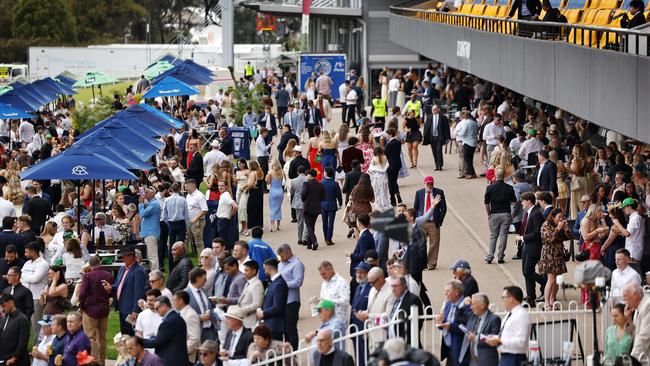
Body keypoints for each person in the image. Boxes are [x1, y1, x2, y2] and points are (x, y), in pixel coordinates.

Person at [77, 256, 113, 364]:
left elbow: (82, 293)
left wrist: (81, 306)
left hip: (90, 310)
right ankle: (102, 360)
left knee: (91, 337)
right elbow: (111, 291)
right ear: (99, 263)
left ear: (90, 265)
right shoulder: (108, 275)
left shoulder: (88, 276)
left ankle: (94, 362)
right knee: (102, 337)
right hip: (104, 309)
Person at [484, 286, 530, 366]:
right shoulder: (511, 314)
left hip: (514, 358)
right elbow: (507, 335)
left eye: (503, 297)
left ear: (511, 298)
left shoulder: (521, 315)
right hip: (506, 357)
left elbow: (521, 342)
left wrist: (500, 340)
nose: (502, 300)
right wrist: (494, 338)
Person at [106, 246, 147, 336]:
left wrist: (136, 310)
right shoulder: (122, 269)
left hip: (131, 309)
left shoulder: (138, 271)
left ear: (132, 257)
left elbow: (139, 292)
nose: (123, 259)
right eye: (122, 257)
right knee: (124, 334)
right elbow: (118, 285)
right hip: (122, 307)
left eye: (125, 256)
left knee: (133, 335)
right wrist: (110, 287)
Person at [515, 192, 546, 305]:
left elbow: (537, 233)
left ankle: (545, 283)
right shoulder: (527, 213)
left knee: (528, 271)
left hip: (534, 247)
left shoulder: (536, 213)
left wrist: (523, 238)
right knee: (526, 272)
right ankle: (530, 297)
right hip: (526, 247)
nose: (521, 203)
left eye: (523, 201)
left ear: (529, 201)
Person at [538, 208, 572, 309]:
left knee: (557, 280)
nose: (561, 219)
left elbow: (569, 237)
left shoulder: (561, 225)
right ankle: (546, 302)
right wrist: (558, 228)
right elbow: (549, 239)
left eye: (562, 217)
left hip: (558, 255)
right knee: (551, 280)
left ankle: (553, 300)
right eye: (559, 217)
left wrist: (565, 228)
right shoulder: (546, 225)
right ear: (553, 217)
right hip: (549, 255)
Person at [142, 296, 189, 366]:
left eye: (157, 308)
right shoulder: (175, 317)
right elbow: (166, 338)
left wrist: (138, 341)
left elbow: (157, 343)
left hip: (172, 361)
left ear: (164, 306)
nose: (156, 311)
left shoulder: (168, 322)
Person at [413, 176, 447, 270]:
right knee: (421, 244)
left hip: (433, 223)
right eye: (428, 183)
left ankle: (431, 263)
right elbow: (415, 208)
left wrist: (439, 220)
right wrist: (416, 220)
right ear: (424, 183)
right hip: (422, 223)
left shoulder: (439, 192)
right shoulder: (419, 193)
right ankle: (422, 263)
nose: (429, 185)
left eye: (431, 183)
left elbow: (443, 208)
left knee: (434, 244)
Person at [457, 293, 501, 366]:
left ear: (482, 306)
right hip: (472, 360)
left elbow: (495, 341)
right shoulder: (472, 316)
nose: (471, 307)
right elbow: (458, 317)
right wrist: (463, 304)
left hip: (486, 361)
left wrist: (476, 338)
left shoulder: (494, 319)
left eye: (473, 304)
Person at [484, 169, 516, 264]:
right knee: (503, 235)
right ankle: (501, 256)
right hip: (506, 213)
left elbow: (486, 202)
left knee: (493, 235)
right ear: (504, 176)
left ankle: (490, 256)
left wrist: (489, 213)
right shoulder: (509, 188)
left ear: (495, 175)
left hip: (494, 213)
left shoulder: (490, 188)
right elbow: (513, 202)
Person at [436, 279, 470, 366]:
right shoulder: (448, 304)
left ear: (456, 292)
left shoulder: (466, 306)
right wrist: (441, 322)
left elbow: (468, 328)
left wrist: (450, 327)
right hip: (449, 351)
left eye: (448, 291)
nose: (445, 293)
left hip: (461, 352)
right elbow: (445, 322)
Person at [277, 244, 304, 350]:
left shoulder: (297, 264)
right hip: (281, 300)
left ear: (289, 252)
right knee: (283, 329)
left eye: (282, 256)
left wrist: (283, 284)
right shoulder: (280, 264)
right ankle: (287, 352)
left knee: (290, 329)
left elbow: (298, 282)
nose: (281, 258)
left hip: (292, 301)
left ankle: (294, 353)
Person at [21, 241, 49, 337]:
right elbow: (21, 277)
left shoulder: (43, 264)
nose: (25, 254)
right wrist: (28, 277)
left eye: (26, 252)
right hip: (26, 296)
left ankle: (37, 347)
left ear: (33, 252)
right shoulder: (27, 263)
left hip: (37, 297)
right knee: (25, 324)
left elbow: (35, 279)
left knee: (36, 324)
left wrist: (26, 277)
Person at [611, 198, 645, 274]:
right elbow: (628, 234)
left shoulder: (635, 218)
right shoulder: (635, 217)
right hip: (634, 251)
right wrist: (618, 231)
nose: (623, 209)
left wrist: (617, 223)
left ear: (629, 206)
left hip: (633, 253)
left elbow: (627, 233)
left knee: (634, 276)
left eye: (624, 207)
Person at [257, 259, 288, 341]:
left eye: (264, 269)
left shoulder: (279, 284)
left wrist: (263, 313)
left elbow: (278, 307)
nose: (264, 272)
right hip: (269, 324)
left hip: (275, 326)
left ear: (268, 269)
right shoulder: (273, 282)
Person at [387, 276, 423, 347]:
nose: (393, 289)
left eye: (396, 286)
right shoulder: (396, 299)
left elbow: (417, 324)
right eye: (392, 286)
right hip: (393, 342)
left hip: (406, 344)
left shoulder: (412, 299)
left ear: (404, 286)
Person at [184, 268, 216, 343]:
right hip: (196, 331)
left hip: (210, 329)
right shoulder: (185, 293)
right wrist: (198, 317)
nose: (206, 280)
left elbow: (208, 307)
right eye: (204, 279)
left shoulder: (204, 290)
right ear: (198, 278)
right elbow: (182, 314)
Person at [0, 293, 30, 366]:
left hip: (16, 361)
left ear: (11, 302)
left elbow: (23, 342)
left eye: (4, 306)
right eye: (1, 307)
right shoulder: (3, 319)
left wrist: (14, 358)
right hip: (4, 360)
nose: (2, 309)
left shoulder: (22, 319)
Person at [623, 283, 650, 361]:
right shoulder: (638, 307)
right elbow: (632, 333)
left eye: (625, 297)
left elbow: (644, 336)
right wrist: (628, 319)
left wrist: (632, 359)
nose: (625, 301)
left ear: (635, 295)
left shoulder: (648, 305)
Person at [318, 261, 350, 326]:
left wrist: (329, 302)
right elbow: (323, 299)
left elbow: (346, 301)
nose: (322, 276)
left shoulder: (341, 282)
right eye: (321, 274)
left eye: (324, 274)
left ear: (330, 270)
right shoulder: (324, 284)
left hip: (338, 321)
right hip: (326, 321)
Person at [172, 291, 201, 363]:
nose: (173, 303)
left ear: (181, 301)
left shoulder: (191, 315)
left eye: (174, 300)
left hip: (187, 358)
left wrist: (181, 352)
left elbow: (194, 338)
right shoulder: (182, 313)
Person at [163, 183, 190, 254]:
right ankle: (179, 261)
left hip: (171, 223)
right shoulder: (183, 200)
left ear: (171, 189)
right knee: (180, 244)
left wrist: (168, 223)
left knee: (171, 245)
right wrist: (187, 227)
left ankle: (171, 264)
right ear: (179, 190)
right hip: (181, 223)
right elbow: (186, 215)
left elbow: (164, 215)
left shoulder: (167, 200)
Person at [301, 169, 325, 250]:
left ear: (310, 175)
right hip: (316, 208)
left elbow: (303, 195)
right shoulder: (320, 185)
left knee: (309, 226)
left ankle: (314, 241)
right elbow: (323, 197)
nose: (306, 176)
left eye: (307, 174)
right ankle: (309, 243)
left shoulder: (306, 184)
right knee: (312, 225)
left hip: (307, 207)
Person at [138, 187, 161, 271]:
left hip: (151, 233)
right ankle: (152, 273)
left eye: (146, 193)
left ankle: (155, 273)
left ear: (151, 194)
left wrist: (140, 204)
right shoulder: (150, 203)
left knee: (152, 256)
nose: (144, 195)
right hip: (148, 233)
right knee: (150, 256)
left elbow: (143, 213)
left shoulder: (154, 204)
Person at [237, 260, 264, 329]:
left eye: (246, 270)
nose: (244, 273)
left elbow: (257, 304)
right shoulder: (248, 283)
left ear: (254, 271)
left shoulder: (257, 284)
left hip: (251, 322)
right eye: (244, 271)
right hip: (244, 320)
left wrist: (242, 310)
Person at [423, 105, 450, 171]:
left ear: (438, 109)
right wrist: (424, 136)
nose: (433, 111)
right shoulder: (429, 117)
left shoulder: (443, 117)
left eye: (435, 109)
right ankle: (436, 165)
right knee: (434, 151)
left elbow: (446, 128)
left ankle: (440, 165)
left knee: (439, 150)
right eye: (432, 109)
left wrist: (447, 138)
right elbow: (426, 127)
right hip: (432, 137)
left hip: (439, 137)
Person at [321, 167, 342, 246]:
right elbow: (339, 195)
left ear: (326, 173)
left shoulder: (321, 183)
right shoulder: (335, 183)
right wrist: (340, 203)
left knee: (324, 222)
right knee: (331, 223)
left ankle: (325, 237)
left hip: (323, 205)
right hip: (332, 205)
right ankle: (329, 239)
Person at [455, 111, 479, 179]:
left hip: (467, 142)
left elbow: (463, 133)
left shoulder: (466, 123)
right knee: (470, 158)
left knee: (467, 159)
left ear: (465, 116)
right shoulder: (474, 123)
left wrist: (457, 133)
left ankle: (471, 173)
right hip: (474, 142)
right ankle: (472, 172)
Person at [368, 147, 391, 211]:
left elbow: (371, 169)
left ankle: (379, 204)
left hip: (377, 177)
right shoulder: (385, 157)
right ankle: (385, 203)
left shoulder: (374, 158)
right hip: (384, 177)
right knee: (384, 190)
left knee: (377, 191)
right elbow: (387, 165)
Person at [384, 128, 403, 206]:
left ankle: (392, 198)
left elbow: (386, 154)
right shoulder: (398, 142)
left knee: (391, 182)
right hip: (397, 164)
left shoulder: (389, 144)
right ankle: (398, 194)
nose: (386, 137)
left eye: (387, 135)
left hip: (390, 165)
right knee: (394, 181)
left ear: (390, 135)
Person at [290, 166, 308, 245]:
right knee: (307, 221)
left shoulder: (293, 181)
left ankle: (300, 238)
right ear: (305, 172)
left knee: (299, 221)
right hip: (307, 202)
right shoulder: (308, 179)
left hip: (298, 202)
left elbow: (291, 192)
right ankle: (305, 237)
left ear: (297, 172)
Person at [266, 159, 285, 232]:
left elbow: (268, 183)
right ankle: (278, 225)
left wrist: (266, 178)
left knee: (272, 208)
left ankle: (272, 225)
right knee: (278, 208)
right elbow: (283, 182)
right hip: (280, 191)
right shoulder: (281, 172)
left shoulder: (270, 172)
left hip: (273, 191)